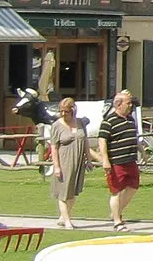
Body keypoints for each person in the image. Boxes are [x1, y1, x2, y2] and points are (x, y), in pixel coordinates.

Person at [95, 90, 143, 228]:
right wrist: (105, 160)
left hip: (130, 160)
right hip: (116, 162)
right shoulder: (109, 121)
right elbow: (102, 141)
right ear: (119, 105)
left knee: (133, 187)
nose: (130, 106)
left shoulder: (130, 119)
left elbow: (134, 137)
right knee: (116, 191)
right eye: (128, 103)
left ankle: (116, 212)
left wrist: (142, 151)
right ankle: (117, 221)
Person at [46, 98, 90, 229]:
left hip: (78, 161)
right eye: (61, 111)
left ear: (73, 110)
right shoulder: (56, 126)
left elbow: (85, 141)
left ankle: (64, 216)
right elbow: (54, 147)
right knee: (63, 192)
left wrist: (88, 159)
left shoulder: (81, 122)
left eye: (66, 111)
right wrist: (56, 166)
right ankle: (67, 221)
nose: (63, 114)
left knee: (72, 191)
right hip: (64, 160)